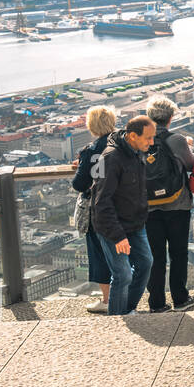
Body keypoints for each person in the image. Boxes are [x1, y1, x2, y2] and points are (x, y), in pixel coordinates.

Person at [90, 115, 156, 316]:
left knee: (145, 263)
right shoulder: (110, 158)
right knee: (123, 274)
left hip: (135, 223)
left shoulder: (136, 151)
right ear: (133, 136)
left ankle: (128, 309)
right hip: (113, 228)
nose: (152, 142)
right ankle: (117, 316)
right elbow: (101, 202)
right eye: (148, 138)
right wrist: (118, 236)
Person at [143, 97, 194, 312]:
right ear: (170, 118)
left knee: (154, 257)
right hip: (177, 205)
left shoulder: (139, 139)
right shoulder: (176, 140)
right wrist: (188, 146)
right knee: (178, 253)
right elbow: (192, 164)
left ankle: (156, 303)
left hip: (148, 207)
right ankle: (180, 299)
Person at [72, 105, 117, 314]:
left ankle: (108, 300)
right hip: (124, 207)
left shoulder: (92, 150)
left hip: (99, 210)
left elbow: (80, 184)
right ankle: (125, 295)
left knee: (100, 255)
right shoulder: (124, 143)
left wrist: (82, 164)